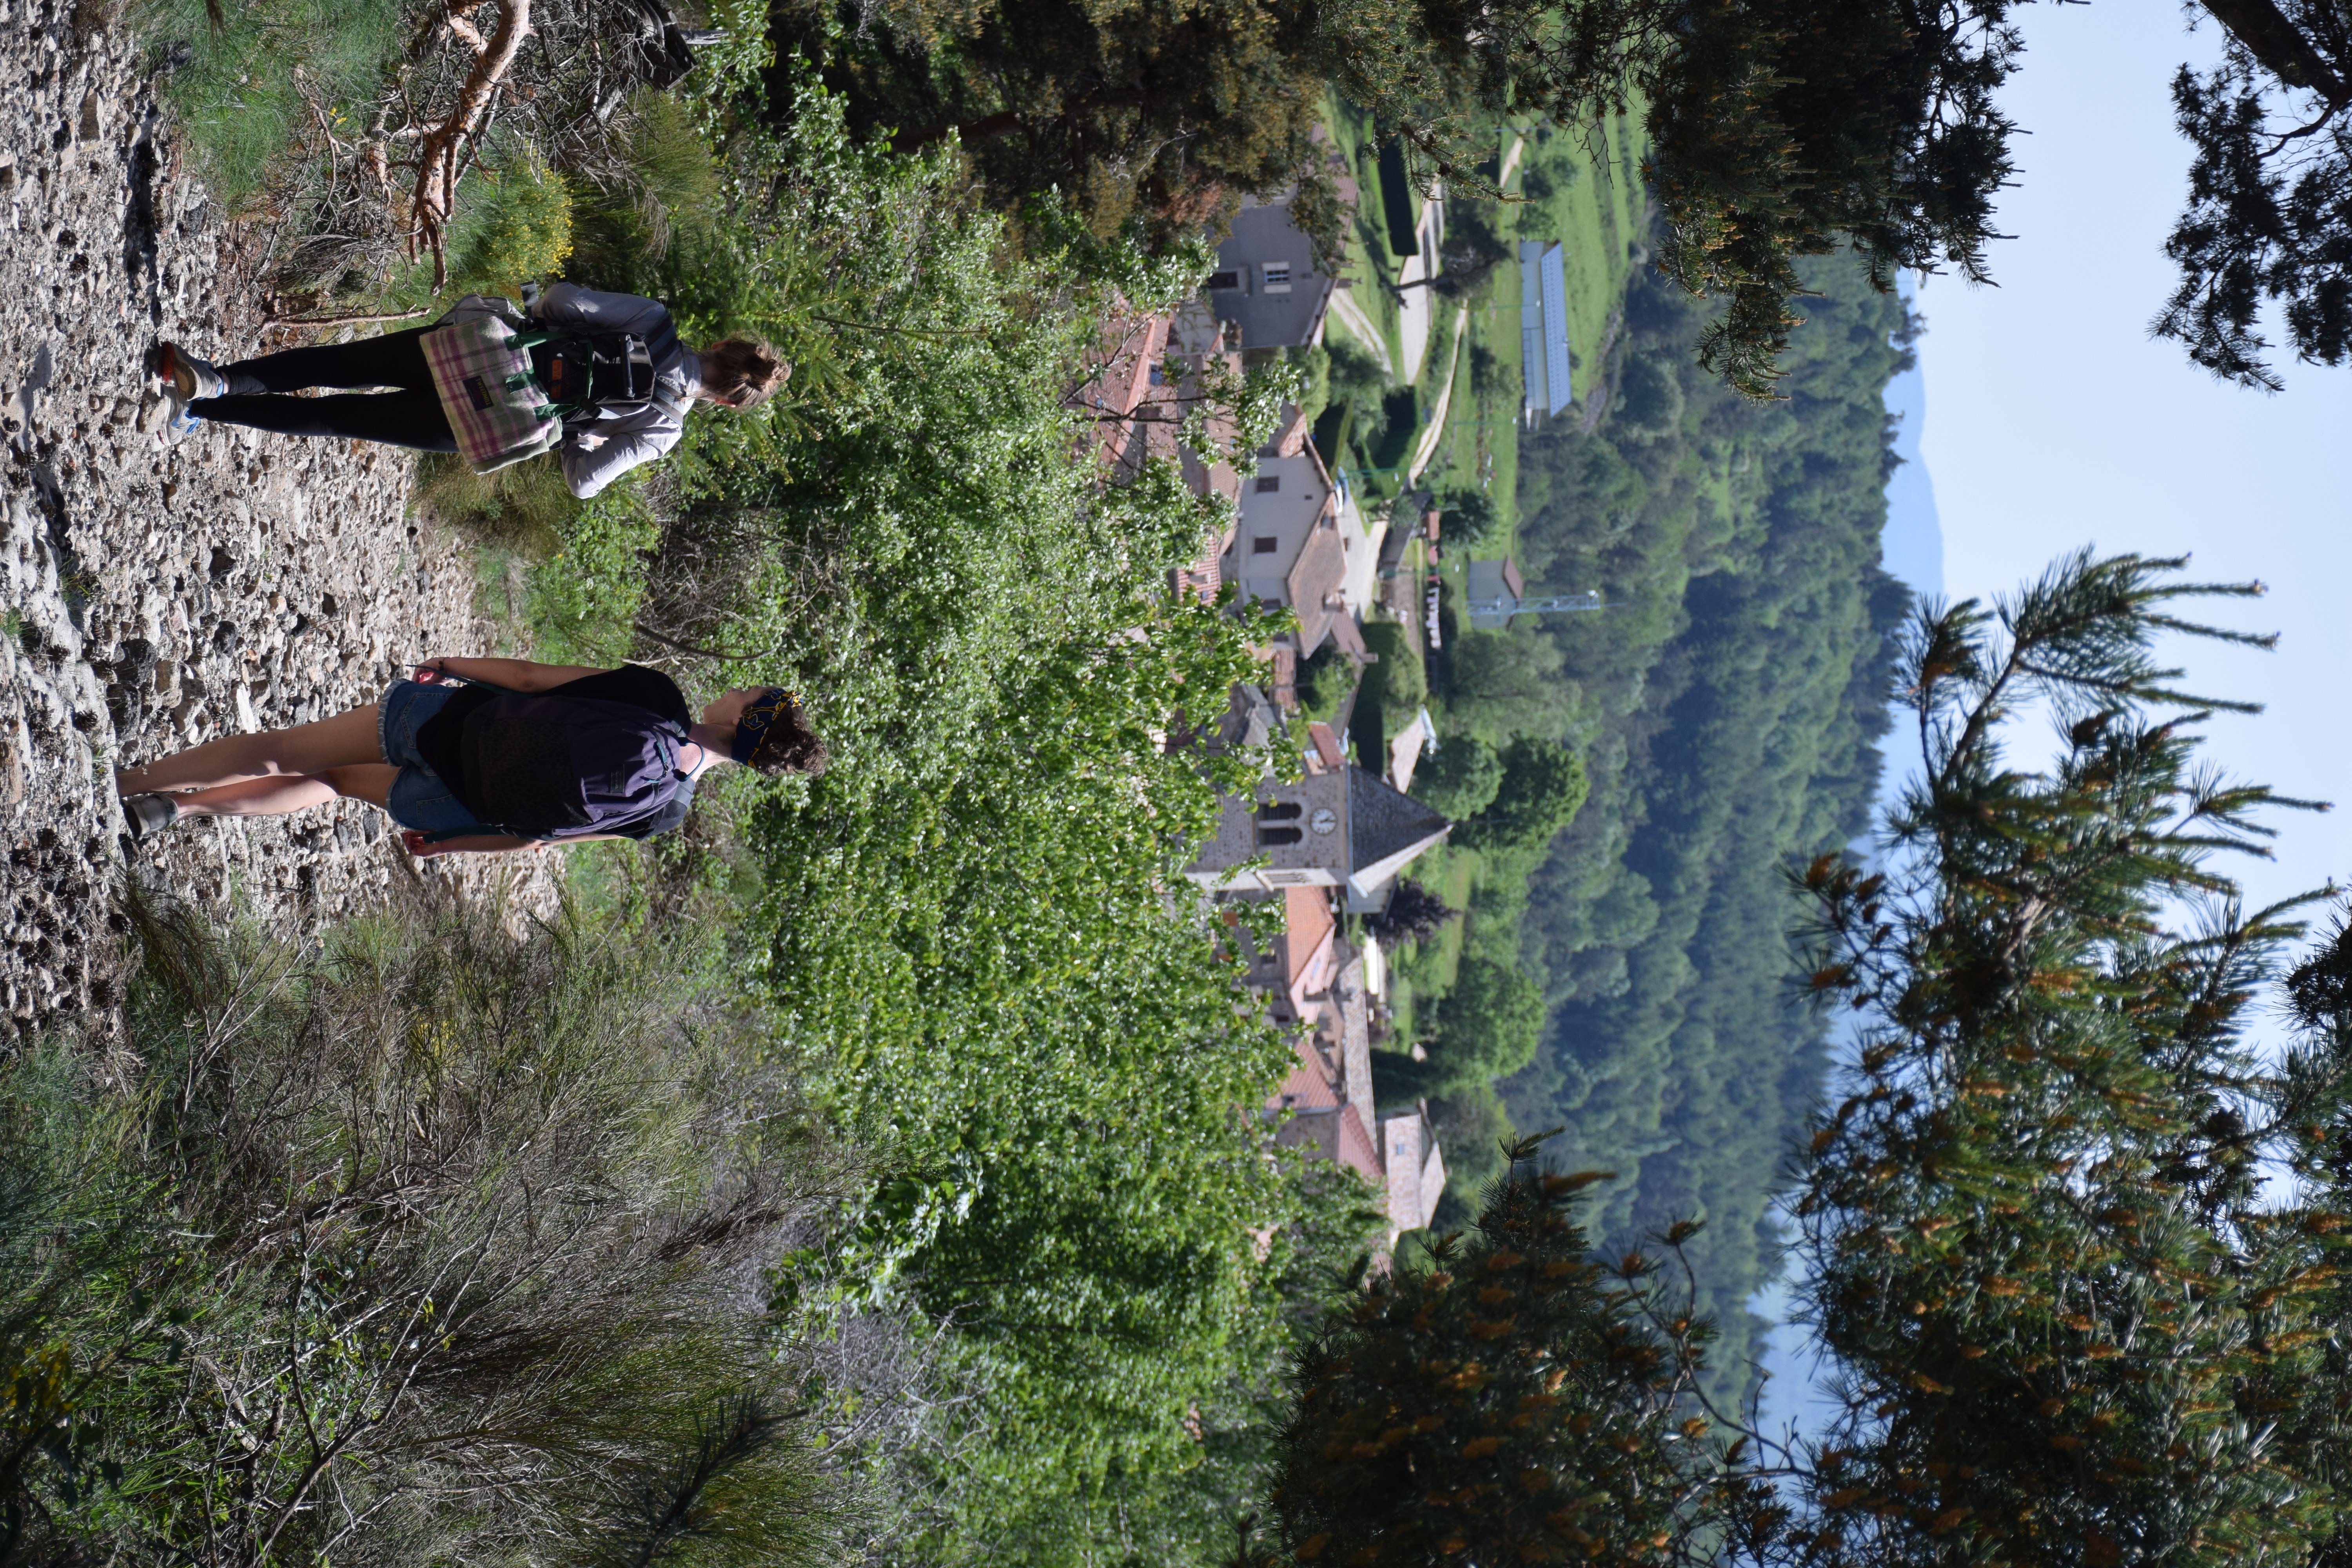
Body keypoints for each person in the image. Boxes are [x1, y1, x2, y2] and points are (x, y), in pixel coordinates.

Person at [114, 659, 826, 857]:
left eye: (746, 692)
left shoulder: (658, 697)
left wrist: (452, 665)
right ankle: (180, 810)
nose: (735, 688)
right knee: (330, 786)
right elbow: (547, 837)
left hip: (452, 724)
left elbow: (528, 681)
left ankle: (135, 782)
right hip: (467, 803)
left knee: (280, 751)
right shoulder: (669, 811)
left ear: (746, 716)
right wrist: (453, 845)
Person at [143, 283, 788, 499]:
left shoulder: (654, 322)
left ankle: (215, 377)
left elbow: (564, 301)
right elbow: (585, 482)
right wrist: (575, 435)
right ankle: (199, 407)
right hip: (489, 419)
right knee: (339, 419)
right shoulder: (664, 429)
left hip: (483, 350)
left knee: (340, 365)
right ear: (729, 401)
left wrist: (543, 312)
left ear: (720, 347)